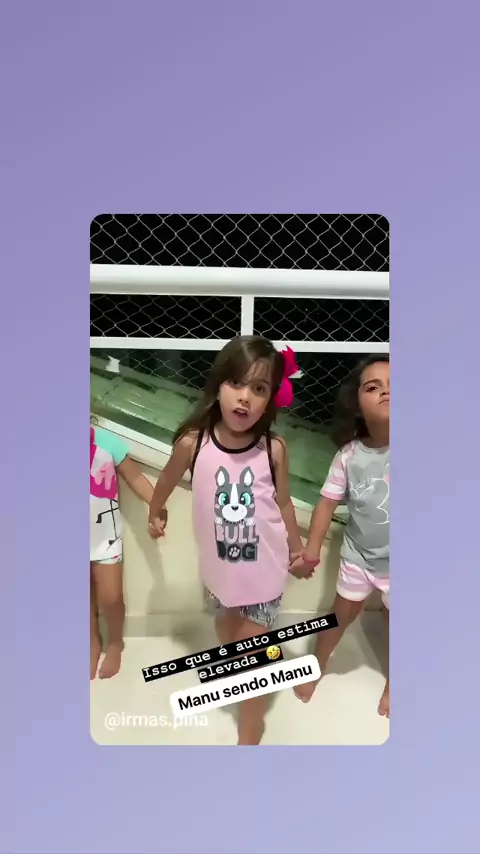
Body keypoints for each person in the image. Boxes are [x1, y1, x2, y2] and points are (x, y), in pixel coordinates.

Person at [149, 336, 311, 744]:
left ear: (270, 399)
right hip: (219, 572)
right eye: (236, 383)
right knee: (227, 630)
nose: (245, 397)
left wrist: (297, 549)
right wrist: (155, 509)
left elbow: (284, 503)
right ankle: (259, 659)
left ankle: (251, 725)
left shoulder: (273, 449)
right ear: (218, 385)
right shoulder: (194, 443)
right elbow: (166, 479)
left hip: (265, 571)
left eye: (259, 388)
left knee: (250, 659)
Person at [294, 355, 390, 717]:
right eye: (373, 387)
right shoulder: (349, 455)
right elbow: (326, 504)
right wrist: (312, 549)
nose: (385, 392)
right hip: (359, 557)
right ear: (357, 404)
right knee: (338, 616)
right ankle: (316, 665)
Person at [90, 424, 164, 679]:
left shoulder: (106, 442)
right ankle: (92, 642)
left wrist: (157, 508)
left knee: (111, 597)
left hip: (105, 537)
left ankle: (115, 643)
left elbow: (135, 478)